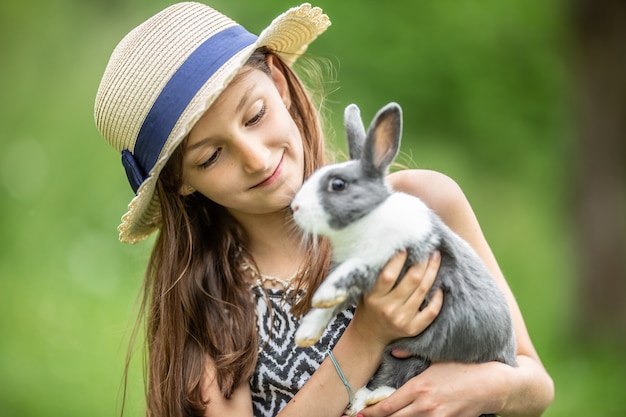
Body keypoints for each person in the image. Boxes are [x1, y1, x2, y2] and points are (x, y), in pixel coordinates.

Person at [94, 3, 554, 417]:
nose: (254, 157)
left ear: (279, 83)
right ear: (181, 182)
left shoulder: (422, 203)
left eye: (254, 115)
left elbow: (535, 382)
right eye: (211, 157)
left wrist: (480, 388)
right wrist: (367, 335)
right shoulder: (213, 306)